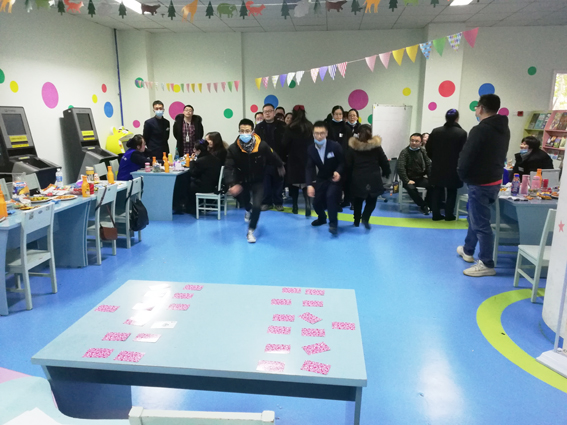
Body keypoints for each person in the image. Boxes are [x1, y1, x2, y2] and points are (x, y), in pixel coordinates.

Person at [457, 94, 510, 277]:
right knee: (475, 217)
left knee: (481, 223)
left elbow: (467, 155)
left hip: (479, 182)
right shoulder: (503, 128)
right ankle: (468, 249)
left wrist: (462, 174)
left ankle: (486, 263)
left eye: (476, 107)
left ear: (480, 108)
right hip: (494, 180)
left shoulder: (480, 130)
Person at [225, 118, 285, 243]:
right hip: (242, 181)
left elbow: (272, 155)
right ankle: (248, 209)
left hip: (258, 180)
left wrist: (280, 165)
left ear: (252, 132)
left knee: (257, 206)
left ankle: (250, 231)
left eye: (247, 131)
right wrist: (232, 183)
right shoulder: (233, 148)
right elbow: (229, 167)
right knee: (244, 202)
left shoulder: (261, 145)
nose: (244, 133)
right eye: (242, 131)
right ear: (238, 131)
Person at [347, 124, 390, 230]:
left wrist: (347, 178)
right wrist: (386, 172)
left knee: (358, 201)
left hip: (358, 177)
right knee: (372, 201)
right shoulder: (376, 147)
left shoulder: (353, 147)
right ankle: (365, 218)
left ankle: (356, 221)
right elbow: (384, 161)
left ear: (358, 133)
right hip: (373, 177)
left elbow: (348, 164)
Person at [427, 109, 467, 221]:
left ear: (445, 118)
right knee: (452, 191)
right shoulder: (462, 133)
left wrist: (435, 159)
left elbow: (428, 148)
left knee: (437, 190)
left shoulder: (436, 131)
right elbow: (464, 151)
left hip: (437, 166)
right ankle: (449, 214)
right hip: (454, 167)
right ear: (457, 118)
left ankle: (436, 214)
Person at [306, 121, 344, 236]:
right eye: (316, 133)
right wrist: (309, 184)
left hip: (334, 178)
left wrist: (338, 171)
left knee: (330, 197)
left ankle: (333, 224)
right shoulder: (311, 149)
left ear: (326, 133)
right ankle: (322, 218)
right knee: (316, 202)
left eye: (322, 133)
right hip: (321, 178)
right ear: (313, 134)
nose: (319, 136)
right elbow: (309, 167)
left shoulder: (335, 146)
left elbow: (343, 162)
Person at [254, 103, 287, 211]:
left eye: (269, 111)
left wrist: (283, 159)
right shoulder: (259, 127)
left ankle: (278, 202)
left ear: (274, 112)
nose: (267, 113)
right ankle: (266, 202)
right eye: (265, 112)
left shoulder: (282, 126)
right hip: (264, 159)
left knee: (279, 182)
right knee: (265, 183)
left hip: (279, 158)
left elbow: (286, 143)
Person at [282, 105, 313, 216]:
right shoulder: (310, 126)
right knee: (306, 182)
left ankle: (295, 205)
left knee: (293, 183)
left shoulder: (290, 127)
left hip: (293, 158)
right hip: (307, 158)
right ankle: (308, 204)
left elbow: (284, 144)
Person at [325, 106, 352, 207]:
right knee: (331, 181)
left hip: (344, 158)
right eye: (336, 114)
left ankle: (345, 201)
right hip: (330, 158)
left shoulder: (347, 128)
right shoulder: (327, 127)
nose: (338, 116)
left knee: (344, 181)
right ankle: (332, 202)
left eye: (340, 114)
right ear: (332, 114)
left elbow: (350, 144)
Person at [397, 133, 432, 215]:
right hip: (408, 178)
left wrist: (431, 177)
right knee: (411, 189)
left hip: (419, 178)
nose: (414, 143)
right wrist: (407, 180)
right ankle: (423, 205)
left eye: (416, 141)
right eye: (412, 141)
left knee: (433, 185)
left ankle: (429, 204)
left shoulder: (423, 151)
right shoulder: (405, 152)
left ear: (421, 143)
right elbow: (400, 168)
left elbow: (428, 165)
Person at [186, 140, 222, 215]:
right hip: (214, 185)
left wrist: (192, 161)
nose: (194, 151)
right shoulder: (214, 158)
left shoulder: (201, 161)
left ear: (199, 151)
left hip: (205, 187)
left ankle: (191, 208)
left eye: (194, 149)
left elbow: (193, 173)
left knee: (186, 183)